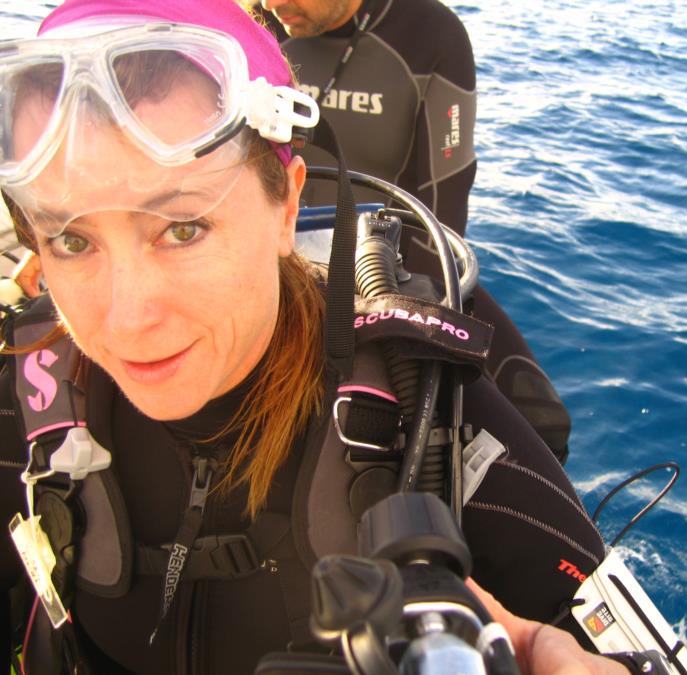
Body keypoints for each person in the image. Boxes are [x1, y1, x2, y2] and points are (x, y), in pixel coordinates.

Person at [0, 1, 640, 674]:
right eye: (73, 240)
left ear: (288, 205)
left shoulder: (424, 415)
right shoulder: (28, 396)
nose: (127, 318)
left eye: (183, 228)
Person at [252, 0, 576, 463]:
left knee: (541, 421)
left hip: (385, 277)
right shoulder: (247, 23)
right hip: (268, 273)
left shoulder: (429, 35)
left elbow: (440, 220)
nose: (273, 2)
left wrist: (384, 311)